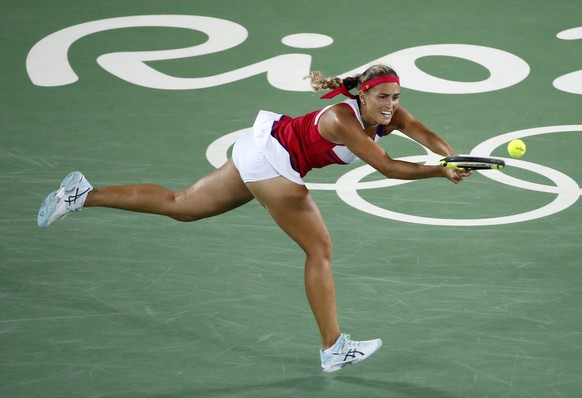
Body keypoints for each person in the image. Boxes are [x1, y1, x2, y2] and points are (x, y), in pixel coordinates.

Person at [38, 64, 471, 372]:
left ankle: (81, 193)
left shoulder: (389, 114)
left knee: (181, 205)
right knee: (319, 249)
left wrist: (453, 155)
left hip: (260, 150)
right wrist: (440, 171)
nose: (391, 106)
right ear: (361, 94)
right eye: (383, 97)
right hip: (272, 165)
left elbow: (425, 135)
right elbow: (389, 167)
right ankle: (333, 347)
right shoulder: (342, 119)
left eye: (395, 98)